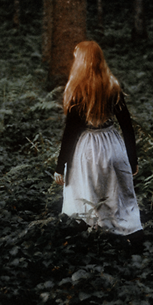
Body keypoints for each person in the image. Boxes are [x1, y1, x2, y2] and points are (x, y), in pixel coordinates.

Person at [54, 41, 143, 241]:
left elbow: (70, 132)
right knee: (115, 193)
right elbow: (127, 126)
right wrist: (132, 159)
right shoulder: (112, 86)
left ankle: (92, 232)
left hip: (88, 149)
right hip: (113, 144)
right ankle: (124, 232)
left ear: (82, 61)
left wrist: (60, 166)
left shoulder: (78, 90)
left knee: (87, 192)